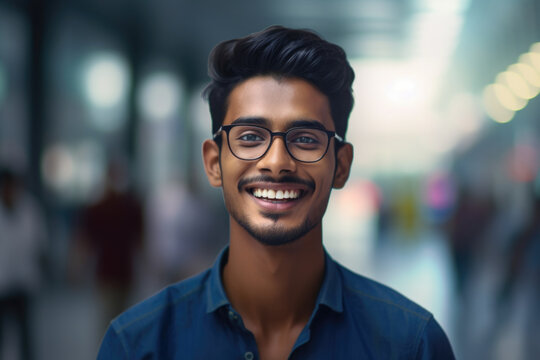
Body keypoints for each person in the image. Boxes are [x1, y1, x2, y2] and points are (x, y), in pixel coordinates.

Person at [98, 26, 455, 359]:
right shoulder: (138, 345)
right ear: (213, 163)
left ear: (341, 165)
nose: (276, 162)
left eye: (305, 139)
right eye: (250, 137)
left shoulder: (410, 344)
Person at [0, 167, 47, 360]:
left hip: (23, 283)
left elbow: (41, 244)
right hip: (2, 283)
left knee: (26, 336)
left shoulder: (30, 209)